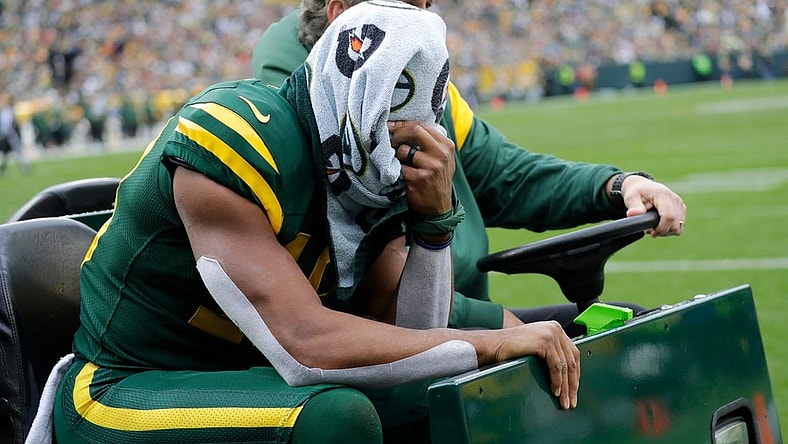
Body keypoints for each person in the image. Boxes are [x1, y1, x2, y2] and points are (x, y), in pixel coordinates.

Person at [48, 3, 579, 443]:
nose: (402, 125)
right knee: (336, 419)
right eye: (388, 92)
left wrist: (434, 224)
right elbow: (303, 344)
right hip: (128, 384)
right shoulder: (240, 131)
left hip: (249, 377)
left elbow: (416, 334)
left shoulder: (370, 171)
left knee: (442, 390)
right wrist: (485, 341)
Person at [252, 0, 688, 336]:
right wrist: (495, 323)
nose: (422, 26)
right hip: (393, 338)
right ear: (342, 18)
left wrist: (615, 186)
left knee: (636, 326)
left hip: (460, 316)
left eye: (425, 8)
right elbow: (372, 293)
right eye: (405, 8)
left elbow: (506, 176)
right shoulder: (305, 127)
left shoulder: (424, 92)